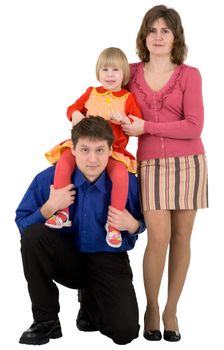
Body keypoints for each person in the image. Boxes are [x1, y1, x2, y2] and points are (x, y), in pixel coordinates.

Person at [15, 116, 145, 346]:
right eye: (84, 149)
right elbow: (24, 225)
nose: (92, 159)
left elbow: (144, 222)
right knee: (34, 236)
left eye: (99, 150)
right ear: (72, 149)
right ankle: (46, 321)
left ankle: (90, 303)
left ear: (110, 151)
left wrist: (133, 225)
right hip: (67, 259)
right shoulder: (49, 179)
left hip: (108, 258)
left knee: (125, 332)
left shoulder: (128, 183)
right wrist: (49, 208)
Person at [121, 4, 208, 342]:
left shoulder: (190, 75)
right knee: (158, 238)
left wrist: (146, 126)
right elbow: (102, 94)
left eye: (165, 31)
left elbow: (194, 126)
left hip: (190, 163)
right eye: (153, 30)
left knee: (183, 238)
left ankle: (172, 309)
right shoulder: (129, 73)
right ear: (144, 35)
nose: (158, 36)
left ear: (175, 37)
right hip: (151, 166)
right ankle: (152, 306)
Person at [45, 47, 142, 249]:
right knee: (63, 162)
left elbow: (137, 125)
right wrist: (76, 115)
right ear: (98, 72)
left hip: (112, 150)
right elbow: (72, 108)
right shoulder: (91, 92)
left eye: (115, 70)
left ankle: (114, 224)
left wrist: (124, 119)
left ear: (124, 73)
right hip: (85, 146)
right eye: (105, 69)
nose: (109, 75)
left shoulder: (127, 98)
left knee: (121, 176)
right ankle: (63, 212)